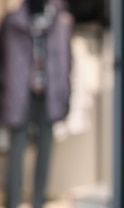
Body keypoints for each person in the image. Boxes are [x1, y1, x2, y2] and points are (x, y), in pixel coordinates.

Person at [0, 0, 73, 207]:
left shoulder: (61, 21)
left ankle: (38, 201)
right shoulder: (13, 22)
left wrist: (66, 95)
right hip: (19, 92)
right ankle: (12, 201)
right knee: (17, 149)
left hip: (49, 94)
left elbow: (67, 61)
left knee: (45, 150)